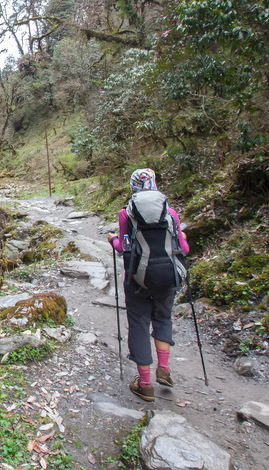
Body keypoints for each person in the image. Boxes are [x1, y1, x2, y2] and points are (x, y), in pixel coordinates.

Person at [107, 168, 190, 403]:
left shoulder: (127, 213)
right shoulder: (170, 212)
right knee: (163, 318)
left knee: (139, 324)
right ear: (154, 184)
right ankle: (163, 369)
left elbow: (124, 248)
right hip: (167, 278)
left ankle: (145, 385)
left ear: (133, 187)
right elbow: (184, 249)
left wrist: (112, 239)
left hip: (138, 280)